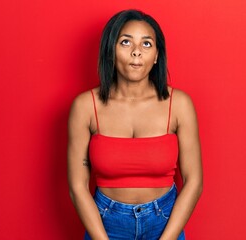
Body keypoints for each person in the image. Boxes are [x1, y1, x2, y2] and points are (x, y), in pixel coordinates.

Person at [68, 9, 202, 240]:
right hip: (105, 223)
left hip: (165, 222)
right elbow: (77, 186)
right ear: (111, 50)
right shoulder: (85, 107)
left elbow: (194, 181)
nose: (137, 52)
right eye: (126, 42)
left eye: (147, 44)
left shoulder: (179, 104)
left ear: (157, 55)